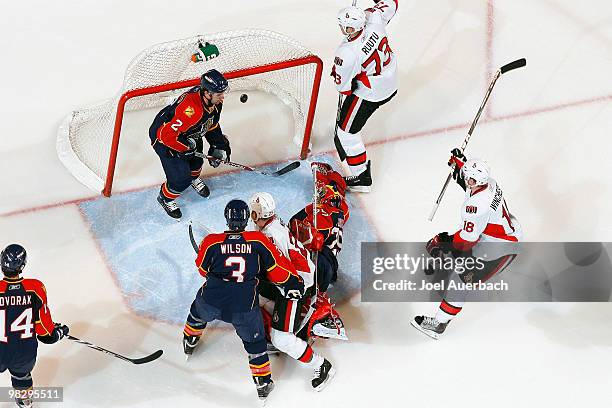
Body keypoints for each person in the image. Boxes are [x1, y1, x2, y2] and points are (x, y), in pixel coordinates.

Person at [182, 199, 305, 402]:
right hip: (244, 308)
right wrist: (294, 282)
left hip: (212, 299)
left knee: (196, 313)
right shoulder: (258, 240)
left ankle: (190, 340)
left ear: (227, 219)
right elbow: (277, 270)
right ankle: (263, 384)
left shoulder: (212, 242)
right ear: (247, 217)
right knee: (255, 344)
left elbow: (202, 269)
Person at [411, 149, 522, 339]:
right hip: (506, 234)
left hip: (499, 250)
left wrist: (442, 240)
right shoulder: (489, 183)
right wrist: (460, 164)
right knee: (458, 254)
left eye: (467, 178)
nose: (465, 179)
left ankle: (439, 323)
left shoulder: (476, 208)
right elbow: (470, 183)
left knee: (460, 281)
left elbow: (466, 242)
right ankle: (447, 262)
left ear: (475, 181)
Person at [249, 192, 337, 392]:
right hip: (285, 279)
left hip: (294, 285)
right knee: (250, 298)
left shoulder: (273, 236)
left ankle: (322, 365)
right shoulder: (268, 225)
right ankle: (281, 328)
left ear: (256, 214)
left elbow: (284, 273)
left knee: (281, 338)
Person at [331, 0, 399, 192]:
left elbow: (343, 88)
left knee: (345, 133)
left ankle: (361, 177)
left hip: (372, 92)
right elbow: (392, 2)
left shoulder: (346, 54)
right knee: (346, 126)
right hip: (390, 78)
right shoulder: (375, 18)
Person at [149, 69, 232, 219]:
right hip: (165, 140)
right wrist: (184, 148)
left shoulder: (215, 102)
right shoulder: (191, 110)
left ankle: (193, 178)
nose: (222, 97)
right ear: (207, 93)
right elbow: (165, 135)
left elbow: (211, 124)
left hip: (187, 134)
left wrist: (219, 144)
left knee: (196, 164)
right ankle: (165, 198)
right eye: (219, 94)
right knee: (180, 179)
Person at [0, 244, 69, 408]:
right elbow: (45, 333)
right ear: (22, 266)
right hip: (23, 352)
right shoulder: (35, 287)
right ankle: (25, 403)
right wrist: (58, 332)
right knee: (21, 378)